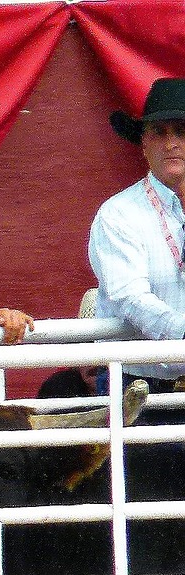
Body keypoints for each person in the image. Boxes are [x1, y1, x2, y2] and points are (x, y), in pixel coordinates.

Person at [89, 78, 185, 390]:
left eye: (181, 131)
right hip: (140, 383)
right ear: (143, 144)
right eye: (159, 133)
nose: (171, 143)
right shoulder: (119, 214)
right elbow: (130, 297)